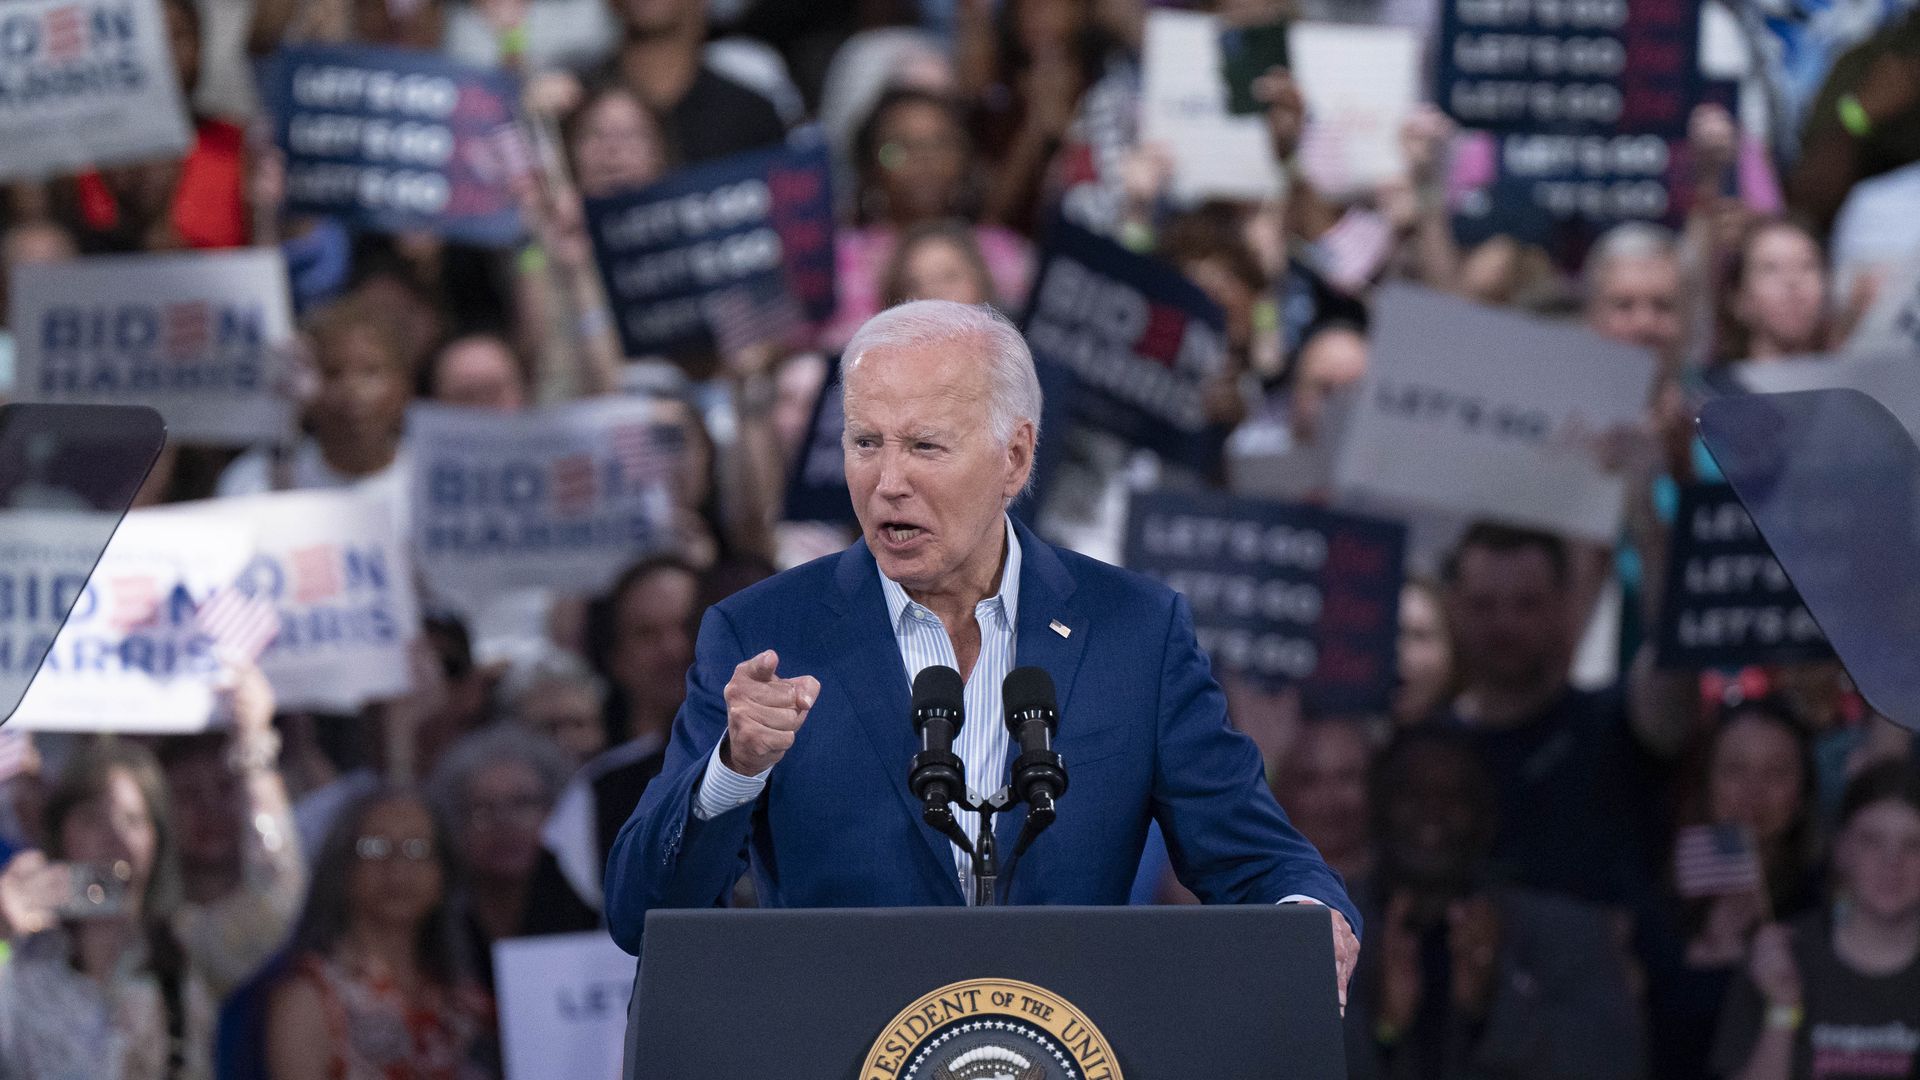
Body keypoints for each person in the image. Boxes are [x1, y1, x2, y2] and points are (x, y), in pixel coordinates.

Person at [603, 300, 1360, 1001]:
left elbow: (1253, 854)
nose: (887, 481)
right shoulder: (763, 635)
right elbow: (644, 915)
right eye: (866, 442)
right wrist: (732, 773)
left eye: (926, 446)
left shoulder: (1135, 632)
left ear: (1016, 459)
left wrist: (1308, 916)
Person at [1346, 729, 1648, 1080]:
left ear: (1486, 816)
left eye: (1454, 796)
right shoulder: (1321, 933)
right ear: (1377, 811)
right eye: (1411, 794)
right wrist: (1382, 1029)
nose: (1432, 814)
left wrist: (1493, 1008)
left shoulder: (1569, 933)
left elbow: (1617, 1063)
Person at [1441, 523, 1672, 909]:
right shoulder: (1424, 749)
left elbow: (1671, 670)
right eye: (1484, 604)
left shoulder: (1616, 723)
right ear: (1454, 606)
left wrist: (1643, 505)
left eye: (1526, 603)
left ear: (1563, 604)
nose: (1504, 624)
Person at [0, 739, 215, 1080]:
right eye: (92, 820)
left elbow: (276, 900)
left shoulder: (193, 951)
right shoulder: (22, 969)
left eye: (132, 821)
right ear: (60, 836)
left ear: (156, 841)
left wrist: (254, 744)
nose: (115, 837)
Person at [263, 789, 494, 1080]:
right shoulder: (309, 998)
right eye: (374, 847)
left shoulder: (465, 997)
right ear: (343, 868)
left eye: (417, 849)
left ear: (444, 873)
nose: (397, 869)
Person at [1711, 762, 1920, 1080]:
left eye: (1913, 845)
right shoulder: (1783, 953)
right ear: (1842, 849)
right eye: (1872, 840)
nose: (1892, 863)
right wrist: (1782, 1006)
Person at [427, 727, 581, 990]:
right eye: (482, 808)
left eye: (522, 803)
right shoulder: (432, 920)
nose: (504, 823)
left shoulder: (589, 909)